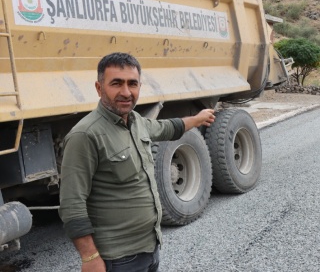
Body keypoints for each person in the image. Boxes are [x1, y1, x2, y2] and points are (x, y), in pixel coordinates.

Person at [58, 52, 215, 272]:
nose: (126, 92)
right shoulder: (85, 135)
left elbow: (168, 128)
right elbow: (71, 203)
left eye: (132, 84)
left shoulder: (136, 121)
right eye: (116, 83)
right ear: (99, 87)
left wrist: (197, 119)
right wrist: (90, 257)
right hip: (118, 259)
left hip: (150, 248)